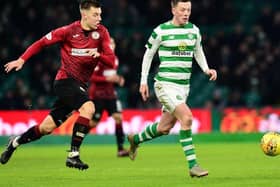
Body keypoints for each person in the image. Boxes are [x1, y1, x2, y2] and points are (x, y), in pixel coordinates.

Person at [0, 0, 115, 170]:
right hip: (64, 81)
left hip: (79, 86)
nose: (99, 18)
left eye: (100, 14)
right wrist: (22, 59)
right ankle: (73, 155)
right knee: (89, 108)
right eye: (95, 15)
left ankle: (14, 142)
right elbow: (41, 43)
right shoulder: (68, 31)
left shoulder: (102, 33)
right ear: (84, 14)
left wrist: (98, 54)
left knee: (46, 128)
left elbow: (111, 61)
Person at [127, 0, 217, 178]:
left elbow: (198, 51)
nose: (186, 13)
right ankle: (193, 165)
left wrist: (206, 69)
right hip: (165, 84)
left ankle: (135, 139)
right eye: (182, 9)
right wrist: (143, 81)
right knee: (187, 117)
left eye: (189, 10)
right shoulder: (161, 31)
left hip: (183, 87)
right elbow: (148, 55)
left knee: (164, 128)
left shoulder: (194, 31)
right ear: (173, 9)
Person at [88, 37, 129, 157]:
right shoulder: (98, 59)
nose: (111, 45)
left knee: (118, 117)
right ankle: (76, 140)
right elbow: (91, 77)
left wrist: (118, 79)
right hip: (97, 95)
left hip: (110, 95)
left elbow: (112, 76)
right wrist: (107, 79)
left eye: (113, 43)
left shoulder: (115, 59)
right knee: (93, 123)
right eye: (109, 43)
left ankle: (120, 149)